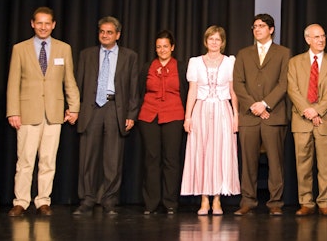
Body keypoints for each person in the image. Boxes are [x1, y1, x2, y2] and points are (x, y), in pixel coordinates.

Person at [6, 7, 80, 217]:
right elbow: (13, 83)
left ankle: (43, 201)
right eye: (39, 23)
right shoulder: (20, 49)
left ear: (54, 25)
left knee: (48, 161)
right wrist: (13, 111)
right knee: (25, 160)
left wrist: (74, 108)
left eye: (47, 23)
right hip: (28, 112)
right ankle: (21, 201)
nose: (43, 27)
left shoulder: (63, 49)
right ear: (32, 24)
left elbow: (69, 81)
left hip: (53, 113)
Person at [73, 16, 140, 215]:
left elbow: (134, 88)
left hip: (114, 108)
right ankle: (87, 199)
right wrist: (74, 108)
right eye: (102, 31)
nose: (105, 35)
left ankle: (109, 199)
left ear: (118, 35)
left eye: (109, 32)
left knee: (113, 158)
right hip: (91, 109)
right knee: (88, 157)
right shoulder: (87, 54)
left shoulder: (130, 56)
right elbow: (78, 84)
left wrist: (131, 113)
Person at [233, 13, 291, 216]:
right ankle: (248, 200)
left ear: (271, 30)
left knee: (275, 162)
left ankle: (275, 202)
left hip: (273, 116)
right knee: (248, 161)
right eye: (255, 26)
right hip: (249, 116)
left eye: (261, 26)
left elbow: (284, 83)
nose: (257, 29)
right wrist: (253, 106)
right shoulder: (243, 54)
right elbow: (238, 83)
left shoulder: (284, 53)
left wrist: (265, 104)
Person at [181, 25, 241, 215]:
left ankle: (217, 199)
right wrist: (188, 117)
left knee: (221, 154)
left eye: (218, 39)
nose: (214, 43)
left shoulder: (230, 62)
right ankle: (204, 199)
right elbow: (192, 90)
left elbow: (233, 92)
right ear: (206, 41)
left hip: (223, 109)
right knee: (202, 153)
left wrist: (236, 115)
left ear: (222, 43)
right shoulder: (195, 62)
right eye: (211, 39)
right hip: (201, 109)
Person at [287, 24, 327, 216]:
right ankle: (306, 203)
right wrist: (307, 111)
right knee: (303, 164)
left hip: (325, 119)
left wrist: (317, 111)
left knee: (325, 165)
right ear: (307, 39)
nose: (321, 40)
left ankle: (325, 202)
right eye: (316, 37)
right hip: (301, 119)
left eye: (323, 36)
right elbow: (292, 89)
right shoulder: (294, 62)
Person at [138, 30, 188, 215]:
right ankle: (151, 203)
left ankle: (170, 202)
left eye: (165, 46)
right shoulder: (147, 67)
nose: (162, 50)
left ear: (172, 47)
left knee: (171, 160)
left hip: (174, 115)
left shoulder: (181, 67)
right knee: (151, 159)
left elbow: (187, 91)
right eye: (158, 47)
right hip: (149, 115)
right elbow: (140, 91)